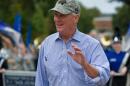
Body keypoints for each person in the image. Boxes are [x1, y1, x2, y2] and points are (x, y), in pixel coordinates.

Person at [35, 0, 110, 86]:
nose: (57, 19)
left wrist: (85, 65)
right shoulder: (46, 44)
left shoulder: (92, 45)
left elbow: (104, 77)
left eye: (62, 15)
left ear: (76, 18)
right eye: (56, 14)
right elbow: (41, 81)